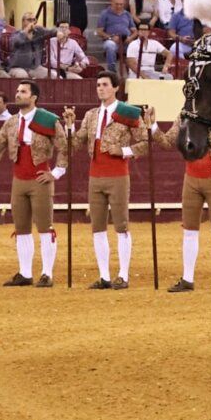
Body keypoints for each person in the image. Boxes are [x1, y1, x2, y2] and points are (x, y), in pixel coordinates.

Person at [63, 72, 148, 290]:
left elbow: (145, 143)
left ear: (116, 88)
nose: (100, 88)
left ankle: (123, 275)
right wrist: (70, 127)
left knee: (121, 225)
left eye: (105, 85)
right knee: (97, 227)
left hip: (118, 175)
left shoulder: (128, 113)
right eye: (98, 84)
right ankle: (104, 276)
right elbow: (76, 143)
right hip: (95, 176)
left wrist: (123, 150)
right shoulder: (91, 115)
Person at [146, 105, 211, 296]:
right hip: (191, 179)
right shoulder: (185, 115)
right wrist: (153, 125)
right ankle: (187, 279)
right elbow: (166, 142)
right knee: (189, 230)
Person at [0, 81, 68, 287]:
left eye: (23, 92)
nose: (18, 94)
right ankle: (25, 273)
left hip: (40, 178)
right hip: (19, 180)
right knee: (21, 227)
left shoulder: (47, 119)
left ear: (34, 97)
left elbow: (64, 146)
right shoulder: (12, 122)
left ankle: (47, 274)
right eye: (17, 91)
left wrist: (56, 172)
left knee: (44, 226)